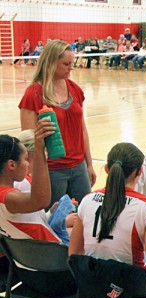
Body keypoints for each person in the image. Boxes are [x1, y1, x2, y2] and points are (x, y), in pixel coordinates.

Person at [69, 142, 146, 298]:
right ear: (139, 172)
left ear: (106, 169)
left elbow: (74, 254)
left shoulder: (87, 200)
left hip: (93, 292)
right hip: (131, 296)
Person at [0, 121, 77, 298]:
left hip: (26, 272)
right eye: (26, 159)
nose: (28, 164)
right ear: (11, 165)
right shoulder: (8, 198)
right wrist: (41, 151)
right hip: (54, 274)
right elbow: (41, 200)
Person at [18, 40, 96, 209]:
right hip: (52, 170)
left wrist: (89, 163)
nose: (71, 68)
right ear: (51, 63)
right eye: (66, 64)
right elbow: (29, 141)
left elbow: (82, 129)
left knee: (85, 215)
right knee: (54, 219)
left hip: (78, 167)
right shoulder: (34, 93)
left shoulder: (75, 89)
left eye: (72, 63)